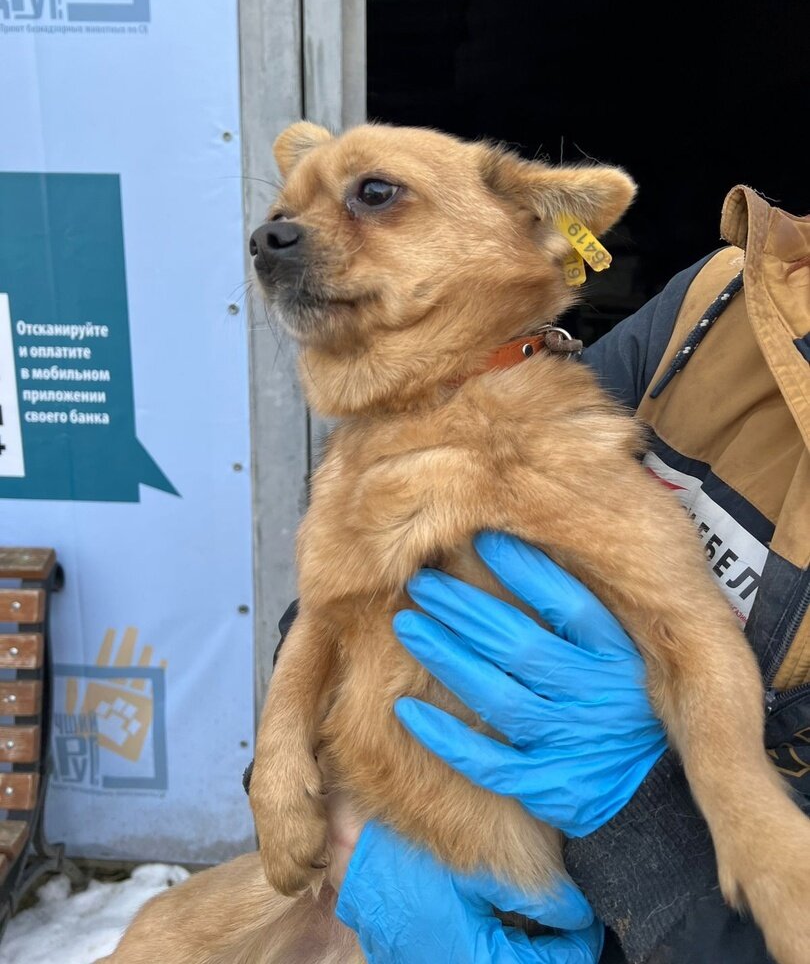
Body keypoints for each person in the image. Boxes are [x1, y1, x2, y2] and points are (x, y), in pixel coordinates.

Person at [277, 186, 810, 962]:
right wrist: (321, 806)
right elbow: (335, 589)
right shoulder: (729, 295)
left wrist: (644, 828)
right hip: (404, 836)